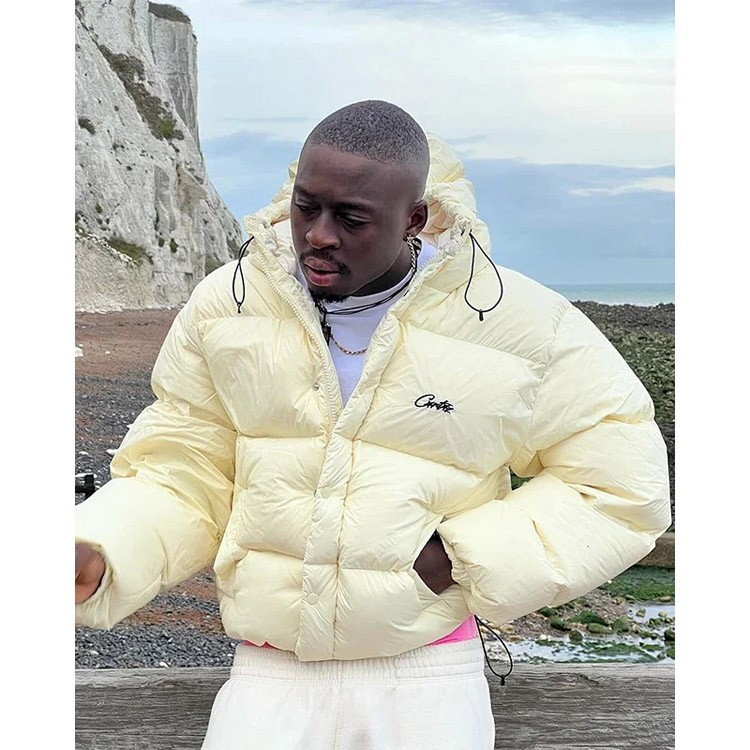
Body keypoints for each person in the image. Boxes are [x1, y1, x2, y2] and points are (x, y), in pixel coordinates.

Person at [75, 100, 672, 749]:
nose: (318, 235)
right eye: (305, 207)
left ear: (414, 217)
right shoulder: (229, 305)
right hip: (268, 676)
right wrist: (101, 548)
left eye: (351, 218)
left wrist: (458, 557)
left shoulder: (518, 322)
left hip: (427, 682)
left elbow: (622, 486)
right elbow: (182, 469)